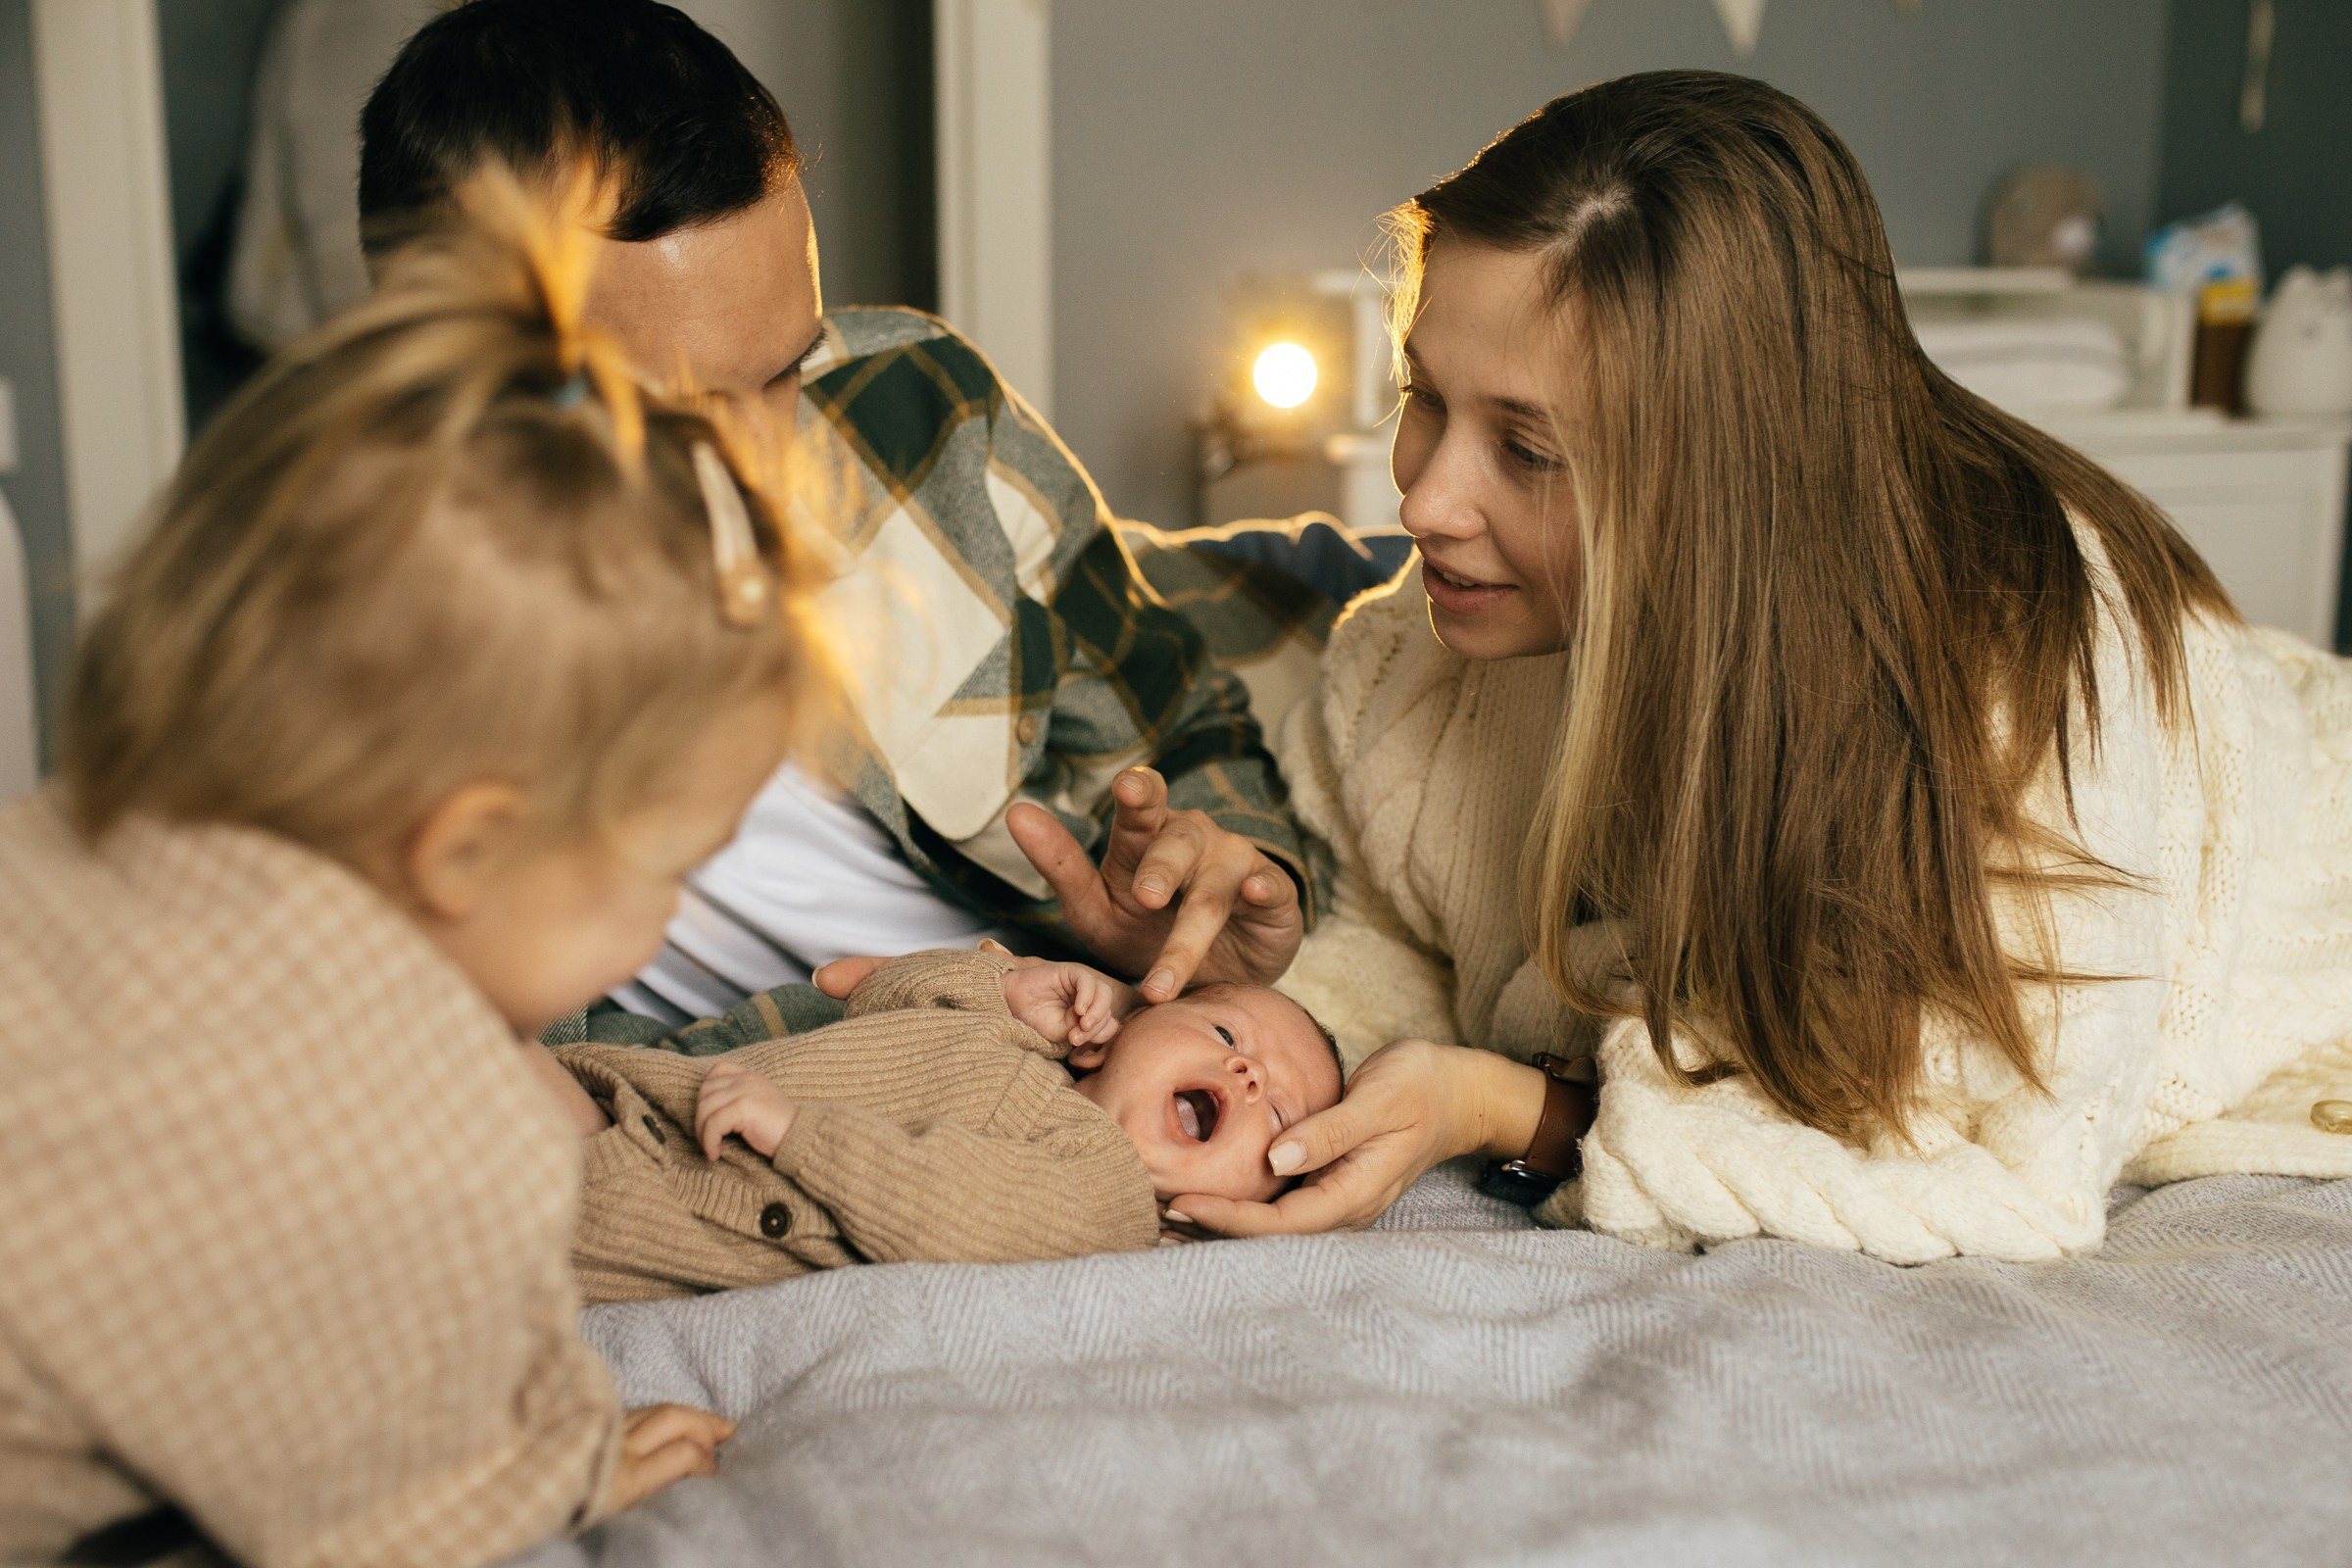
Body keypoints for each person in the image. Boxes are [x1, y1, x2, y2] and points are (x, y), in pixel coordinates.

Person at [1167, 72, 2352, 1264]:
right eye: (1425, 395)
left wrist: (1516, 1112)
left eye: (1526, 448)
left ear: (1721, 489)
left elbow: (2000, 1175)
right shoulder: (1419, 666)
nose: (1420, 498)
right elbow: (1400, 919)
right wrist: (1239, 990)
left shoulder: (2014, 704)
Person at [0, 194, 823, 1564]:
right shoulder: (433, 1142)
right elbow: (383, 1517)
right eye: (666, 868)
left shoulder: (73, 836)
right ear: (464, 849)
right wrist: (554, 1476)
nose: (672, 913)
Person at [355, 0, 1309, 1025]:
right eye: (671, 414)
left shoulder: (917, 403)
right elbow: (546, 1079)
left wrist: (1231, 881)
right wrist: (935, 1027)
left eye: (784, 371)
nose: (761, 465)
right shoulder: (363, 660)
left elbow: (1183, 719)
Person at [541, 948, 1345, 1301]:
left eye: (1275, 1112)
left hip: (672, 1194)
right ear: (1136, 1021)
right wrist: (1007, 990)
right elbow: (879, 1000)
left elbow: (957, 1212)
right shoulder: (1034, 1044)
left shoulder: (1107, 1196)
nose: (1246, 1074)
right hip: (646, 1096)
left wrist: (797, 1132)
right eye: (1226, 1035)